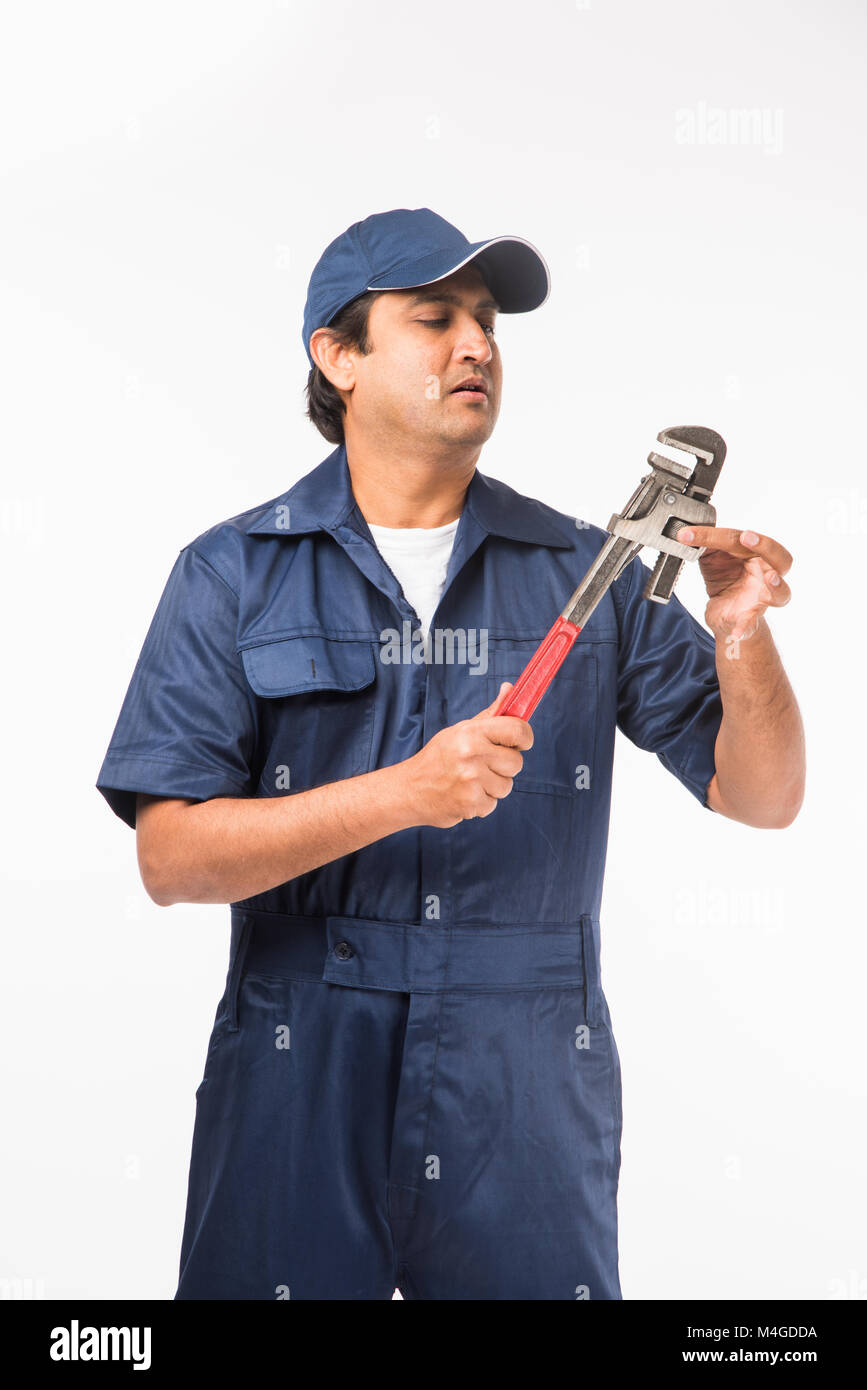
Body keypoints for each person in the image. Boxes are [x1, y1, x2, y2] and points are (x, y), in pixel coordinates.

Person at [96, 206, 805, 1300]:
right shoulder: (231, 574)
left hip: (523, 1085)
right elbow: (170, 859)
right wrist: (401, 794)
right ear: (338, 358)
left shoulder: (588, 571)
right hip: (298, 1069)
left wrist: (742, 637)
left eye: (487, 320)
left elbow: (764, 796)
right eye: (434, 318)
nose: (476, 343)